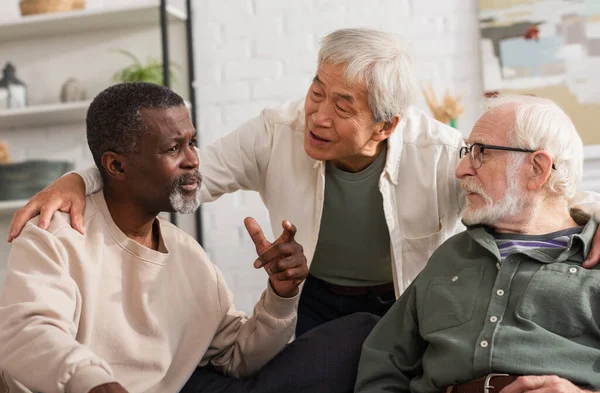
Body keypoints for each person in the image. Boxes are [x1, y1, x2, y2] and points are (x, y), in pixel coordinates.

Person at [7, 29, 600, 337]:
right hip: (313, 297)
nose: (317, 114)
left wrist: (594, 214)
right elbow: (182, 180)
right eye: (317, 89)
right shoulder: (274, 132)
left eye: (343, 105)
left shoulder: (438, 151)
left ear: (386, 124)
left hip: (407, 299)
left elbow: (530, 195)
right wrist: (79, 176)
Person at [0, 82, 378, 393]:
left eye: (193, 143)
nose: (194, 160)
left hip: (180, 392)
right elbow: (28, 332)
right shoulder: (55, 235)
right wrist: (95, 385)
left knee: (360, 332)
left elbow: (237, 356)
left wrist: (281, 295)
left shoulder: (187, 256)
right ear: (116, 166)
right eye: (173, 148)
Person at [352, 95, 600, 393]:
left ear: (537, 169)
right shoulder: (451, 255)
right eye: (467, 151)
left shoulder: (593, 263)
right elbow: (384, 365)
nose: (462, 170)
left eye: (481, 152)